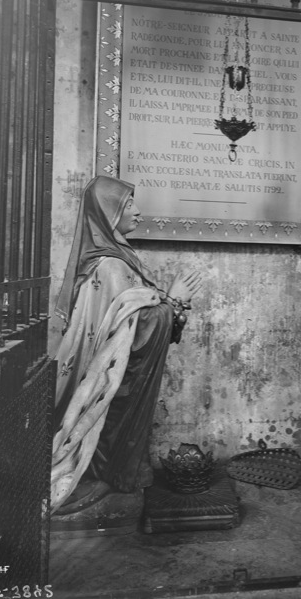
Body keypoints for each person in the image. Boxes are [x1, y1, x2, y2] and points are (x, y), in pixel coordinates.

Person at [50, 175, 201, 513]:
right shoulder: (110, 265)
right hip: (113, 382)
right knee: (109, 423)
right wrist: (174, 302)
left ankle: (115, 476)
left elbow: (137, 315)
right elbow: (134, 332)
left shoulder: (119, 257)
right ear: (108, 211)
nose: (138, 211)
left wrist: (170, 306)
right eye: (129, 204)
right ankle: (106, 476)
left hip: (119, 374)